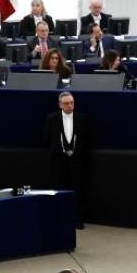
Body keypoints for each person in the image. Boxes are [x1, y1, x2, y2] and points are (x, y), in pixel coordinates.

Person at [44, 92, 89, 227]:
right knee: (59, 190)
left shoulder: (82, 118)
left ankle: (78, 220)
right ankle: (60, 220)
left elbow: (86, 139)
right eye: (66, 103)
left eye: (72, 103)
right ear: (60, 105)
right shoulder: (52, 118)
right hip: (58, 161)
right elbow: (47, 138)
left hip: (77, 161)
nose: (70, 105)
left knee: (78, 190)